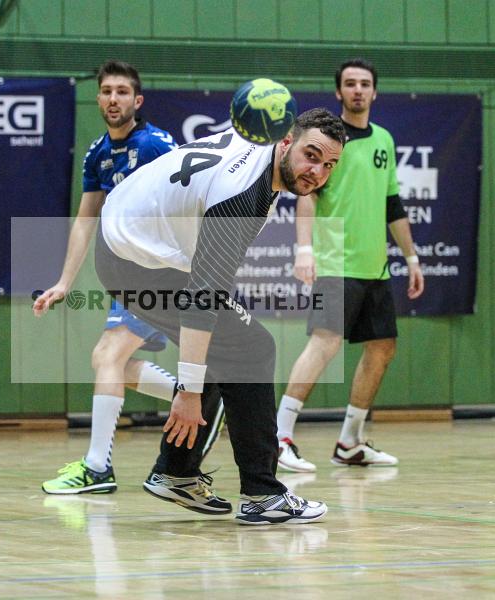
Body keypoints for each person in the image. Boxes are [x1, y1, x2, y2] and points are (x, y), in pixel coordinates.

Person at [95, 108, 345, 524]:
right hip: (137, 260)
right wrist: (189, 393)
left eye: (328, 165)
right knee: (252, 348)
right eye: (311, 155)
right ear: (286, 142)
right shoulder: (242, 199)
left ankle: (177, 471)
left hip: (129, 243)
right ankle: (261, 494)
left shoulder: (260, 141)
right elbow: (202, 298)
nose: (317, 171)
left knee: (226, 347)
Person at [35, 60, 223, 495]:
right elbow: (85, 220)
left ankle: (98, 468)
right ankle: (192, 395)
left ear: (137, 101)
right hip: (129, 276)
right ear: (98, 98)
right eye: (106, 91)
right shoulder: (98, 153)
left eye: (122, 91)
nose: (113, 98)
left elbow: (189, 203)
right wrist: (64, 283)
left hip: (161, 275)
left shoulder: (157, 146)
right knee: (118, 365)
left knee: (107, 356)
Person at [275, 58, 425, 473]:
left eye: (365, 84)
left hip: (375, 267)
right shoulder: (326, 141)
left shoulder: (384, 140)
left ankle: (350, 441)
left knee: (382, 348)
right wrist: (303, 249)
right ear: (339, 92)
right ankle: (280, 436)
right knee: (325, 342)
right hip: (334, 261)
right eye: (350, 84)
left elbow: (392, 203)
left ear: (374, 92)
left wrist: (411, 258)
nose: (358, 90)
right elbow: (305, 193)